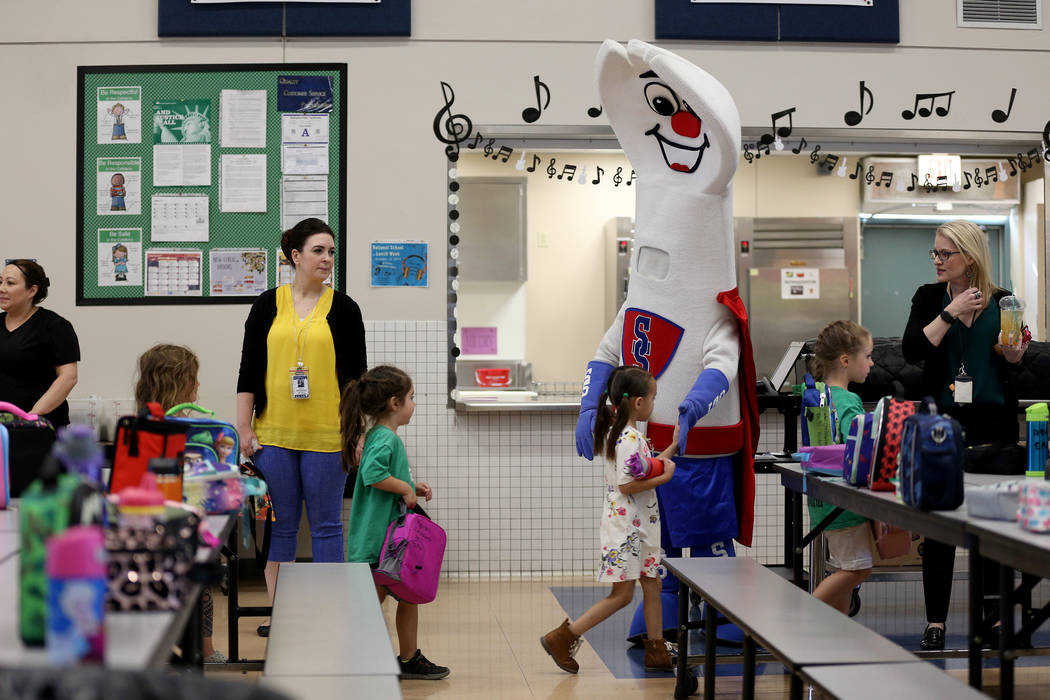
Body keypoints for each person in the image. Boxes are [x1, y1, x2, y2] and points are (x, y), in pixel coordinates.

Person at [236, 217, 367, 638]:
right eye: (318, 251)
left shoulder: (345, 309)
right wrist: (244, 427)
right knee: (283, 526)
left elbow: (356, 381)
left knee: (327, 526)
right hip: (274, 434)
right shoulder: (266, 305)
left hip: (329, 435)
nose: (327, 259)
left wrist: (358, 432)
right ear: (295, 256)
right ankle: (284, 612)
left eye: (331, 252)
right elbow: (249, 371)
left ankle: (329, 611)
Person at [902, 219, 1028, 651]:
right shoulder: (928, 298)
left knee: (993, 533)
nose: (937, 260)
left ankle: (992, 620)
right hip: (943, 432)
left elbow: (1013, 363)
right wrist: (948, 313)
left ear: (969, 258)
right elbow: (913, 351)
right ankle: (935, 621)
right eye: (934, 253)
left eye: (945, 254)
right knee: (937, 531)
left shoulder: (1004, 300)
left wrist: (1015, 355)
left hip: (995, 431)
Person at [543, 366, 678, 674]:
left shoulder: (629, 435)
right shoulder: (628, 438)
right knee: (622, 596)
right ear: (639, 403)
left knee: (653, 585)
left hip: (640, 528)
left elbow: (651, 467)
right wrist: (665, 478)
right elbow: (628, 485)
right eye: (653, 397)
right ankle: (563, 637)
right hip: (627, 530)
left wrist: (674, 446)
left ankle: (656, 650)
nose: (655, 403)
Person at [342, 365, 450, 680]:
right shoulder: (386, 439)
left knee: (406, 597)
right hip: (379, 540)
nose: (414, 405)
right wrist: (404, 488)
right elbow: (373, 475)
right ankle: (366, 657)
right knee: (375, 602)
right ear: (394, 403)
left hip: (388, 541)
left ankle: (408, 657)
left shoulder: (380, 436)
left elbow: (380, 474)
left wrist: (410, 485)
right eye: (411, 398)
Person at [133, 343, 226, 664]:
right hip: (179, 521)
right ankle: (206, 650)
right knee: (199, 580)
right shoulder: (186, 430)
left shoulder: (141, 424)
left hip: (150, 521)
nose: (198, 385)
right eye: (193, 378)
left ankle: (195, 648)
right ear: (177, 382)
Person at [807, 321, 875, 615]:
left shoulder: (818, 396)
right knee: (857, 571)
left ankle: (839, 635)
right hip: (846, 505)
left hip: (823, 499)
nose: (872, 363)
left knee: (845, 570)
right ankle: (801, 617)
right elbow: (857, 448)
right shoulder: (849, 401)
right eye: (868, 356)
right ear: (846, 360)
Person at [0, 260, 80, 429]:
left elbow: (68, 377)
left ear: (32, 290)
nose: (2, 288)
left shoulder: (54, 326)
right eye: (0, 281)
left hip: (39, 426)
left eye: (10, 283)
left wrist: (30, 417)